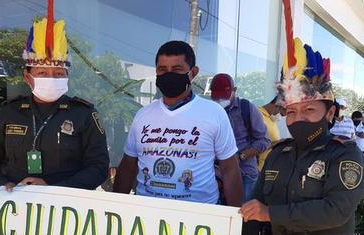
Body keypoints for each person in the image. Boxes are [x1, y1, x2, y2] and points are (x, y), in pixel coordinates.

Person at [240, 38, 364, 235]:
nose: (298, 119)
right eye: (292, 111)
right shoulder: (278, 154)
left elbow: (336, 209)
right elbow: (254, 209)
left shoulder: (345, 155)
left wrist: (271, 214)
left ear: (330, 113)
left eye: (309, 109)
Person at [0, 11, 109, 235]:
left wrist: (52, 188)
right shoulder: (9, 112)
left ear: (67, 76)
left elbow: (98, 167)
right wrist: (5, 185)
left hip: (66, 222)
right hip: (14, 217)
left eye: (58, 74)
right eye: (42, 73)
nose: (51, 78)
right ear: (27, 75)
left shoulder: (83, 114)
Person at [113, 41, 243, 207]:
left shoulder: (214, 113)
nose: (169, 75)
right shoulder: (143, 115)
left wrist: (236, 219)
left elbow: (230, 169)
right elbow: (128, 165)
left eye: (177, 69)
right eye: (162, 70)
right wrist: (115, 208)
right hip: (147, 213)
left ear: (193, 72)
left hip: (199, 216)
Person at [210, 73, 270, 202]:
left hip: (245, 174)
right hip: (216, 176)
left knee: (243, 217)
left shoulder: (247, 109)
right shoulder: (209, 111)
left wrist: (241, 156)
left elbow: (264, 140)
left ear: (234, 90)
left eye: (224, 96)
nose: (220, 100)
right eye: (217, 96)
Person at [257, 96, 285, 171]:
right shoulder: (258, 116)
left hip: (270, 167)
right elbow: (253, 146)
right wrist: (276, 144)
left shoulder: (271, 119)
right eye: (282, 114)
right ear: (277, 105)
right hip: (259, 170)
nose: (281, 117)